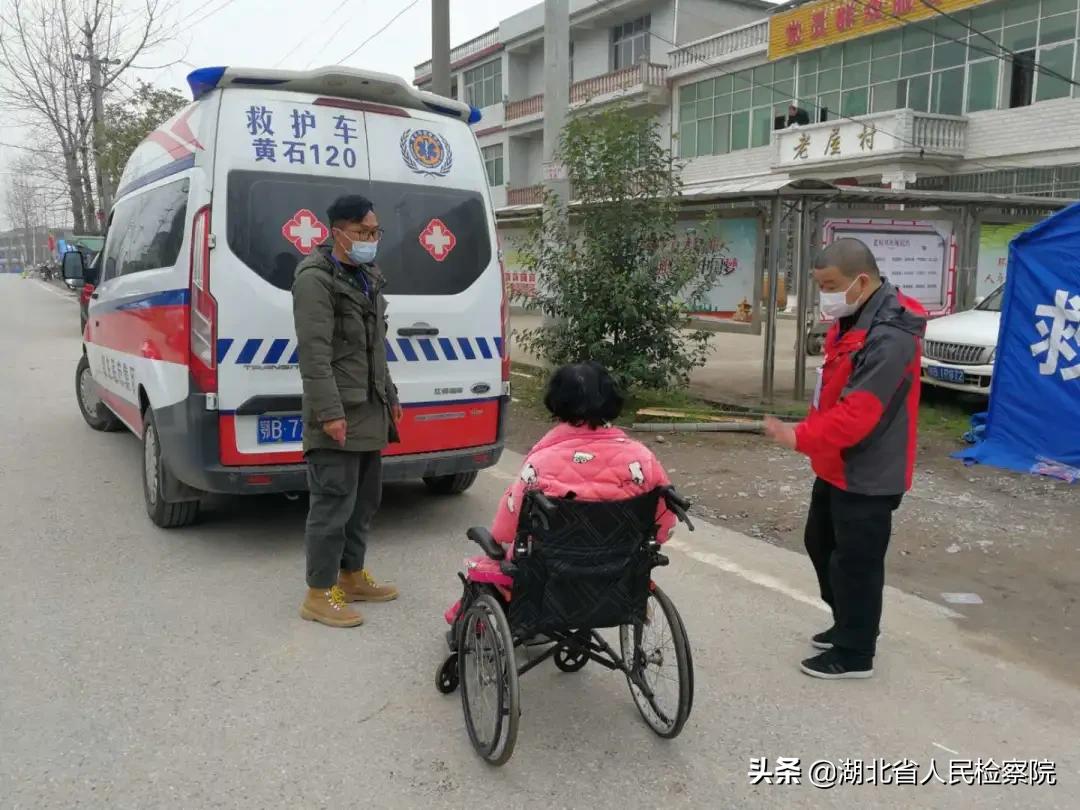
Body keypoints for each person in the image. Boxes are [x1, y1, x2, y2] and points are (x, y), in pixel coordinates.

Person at [764, 238, 926, 679]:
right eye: (819, 286)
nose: (826, 296)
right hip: (837, 461)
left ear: (861, 279)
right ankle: (847, 622)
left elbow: (860, 413)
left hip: (869, 470)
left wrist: (798, 435)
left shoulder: (891, 334)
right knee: (822, 544)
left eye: (830, 285)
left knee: (857, 561)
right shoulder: (855, 316)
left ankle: (856, 652)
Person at [443, 362, 676, 625]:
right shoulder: (642, 459)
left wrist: (496, 542)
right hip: (617, 571)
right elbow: (664, 524)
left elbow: (506, 532)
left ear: (557, 402)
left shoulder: (541, 462)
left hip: (550, 576)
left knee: (494, 561)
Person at [293, 194, 402, 628]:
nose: (370, 239)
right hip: (337, 409)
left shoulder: (366, 275)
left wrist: (390, 394)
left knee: (364, 501)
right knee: (333, 503)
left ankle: (351, 576)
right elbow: (314, 355)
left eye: (374, 232)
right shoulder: (315, 279)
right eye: (362, 232)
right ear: (337, 232)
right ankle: (318, 594)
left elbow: (376, 347)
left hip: (369, 406)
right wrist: (330, 413)